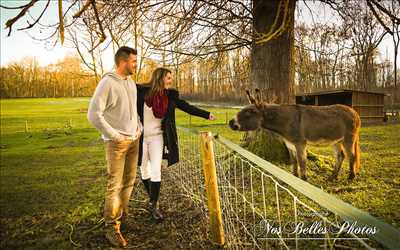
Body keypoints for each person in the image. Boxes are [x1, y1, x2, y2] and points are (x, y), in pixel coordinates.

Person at [137, 67, 215, 222]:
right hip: (140, 137)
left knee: (156, 170)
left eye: (171, 77)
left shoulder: (170, 96)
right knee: (144, 169)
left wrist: (206, 114)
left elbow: (187, 107)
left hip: (158, 137)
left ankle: (153, 206)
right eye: (168, 77)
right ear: (160, 78)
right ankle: (153, 199)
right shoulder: (140, 93)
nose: (171, 80)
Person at [87, 46, 142, 248]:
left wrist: (139, 127)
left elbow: (132, 110)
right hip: (116, 144)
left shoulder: (131, 83)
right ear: (123, 62)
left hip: (134, 140)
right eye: (134, 61)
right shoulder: (107, 83)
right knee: (115, 185)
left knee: (129, 182)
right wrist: (115, 135)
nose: (136, 64)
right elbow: (93, 115)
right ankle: (111, 227)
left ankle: (123, 217)